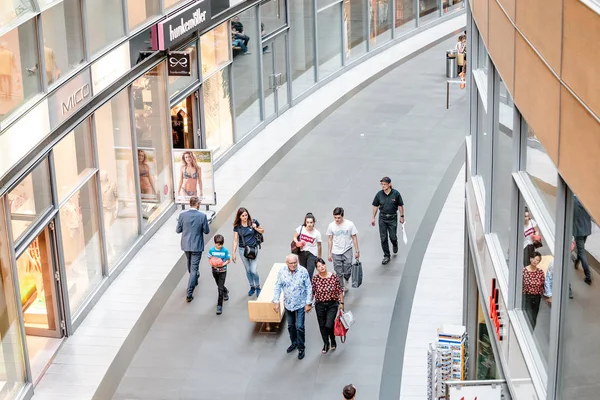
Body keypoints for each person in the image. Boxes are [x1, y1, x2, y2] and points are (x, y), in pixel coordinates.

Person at [273, 254, 313, 360]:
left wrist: (308, 303)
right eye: (291, 263)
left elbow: (309, 287)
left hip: (300, 303)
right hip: (288, 304)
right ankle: (294, 342)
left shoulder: (303, 271)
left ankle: (301, 347)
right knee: (291, 325)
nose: (294, 265)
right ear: (287, 263)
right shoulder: (282, 272)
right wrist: (276, 301)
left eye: (295, 262)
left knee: (300, 326)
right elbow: (277, 286)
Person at [176, 196, 210, 303]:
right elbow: (206, 231)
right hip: (197, 245)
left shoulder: (182, 215)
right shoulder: (202, 216)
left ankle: (193, 278)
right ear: (198, 204)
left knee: (189, 262)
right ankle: (189, 293)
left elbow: (178, 230)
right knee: (194, 268)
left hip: (186, 244)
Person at [312, 258, 344, 354]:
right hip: (320, 305)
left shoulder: (333, 276)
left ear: (325, 265)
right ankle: (326, 343)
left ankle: (332, 339)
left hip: (332, 304)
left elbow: (339, 290)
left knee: (328, 324)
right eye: (319, 266)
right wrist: (308, 303)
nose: (321, 267)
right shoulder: (315, 279)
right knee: (322, 325)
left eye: (322, 265)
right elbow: (312, 292)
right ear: (317, 268)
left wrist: (342, 303)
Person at [371, 176, 405, 265]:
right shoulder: (379, 195)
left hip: (392, 217)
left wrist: (402, 216)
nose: (383, 186)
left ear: (389, 184)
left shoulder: (396, 194)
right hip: (382, 218)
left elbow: (400, 205)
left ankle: (395, 243)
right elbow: (375, 206)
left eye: (385, 184)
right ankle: (386, 255)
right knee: (383, 238)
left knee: (392, 236)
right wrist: (373, 217)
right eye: (382, 184)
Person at [232, 207, 264, 297]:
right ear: (239, 217)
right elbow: (235, 240)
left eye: (246, 215)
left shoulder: (253, 222)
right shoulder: (237, 227)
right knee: (248, 270)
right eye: (243, 216)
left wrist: (256, 228)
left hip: (254, 249)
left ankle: (258, 286)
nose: (245, 217)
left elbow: (262, 230)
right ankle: (252, 286)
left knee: (253, 270)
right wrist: (233, 253)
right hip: (243, 250)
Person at [327, 207, 359, 291]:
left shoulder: (349, 224)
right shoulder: (331, 225)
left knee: (348, 268)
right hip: (336, 251)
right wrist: (329, 253)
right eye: (335, 218)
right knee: (338, 270)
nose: (337, 220)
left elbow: (354, 237)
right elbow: (330, 239)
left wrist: (357, 251)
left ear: (342, 216)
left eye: (339, 218)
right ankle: (341, 287)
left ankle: (346, 278)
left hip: (347, 249)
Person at [293, 212, 322, 279]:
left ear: (314, 223)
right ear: (305, 222)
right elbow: (294, 237)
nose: (309, 224)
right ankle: (303, 287)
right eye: (308, 222)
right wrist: (297, 242)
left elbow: (319, 245)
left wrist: (319, 257)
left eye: (311, 222)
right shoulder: (301, 228)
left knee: (309, 272)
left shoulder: (317, 233)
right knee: (302, 271)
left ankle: (308, 288)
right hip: (302, 252)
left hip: (312, 254)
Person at [207, 234, 230, 315]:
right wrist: (212, 263)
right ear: (215, 243)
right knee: (219, 285)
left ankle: (219, 305)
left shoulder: (225, 251)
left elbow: (228, 260)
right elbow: (209, 259)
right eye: (218, 244)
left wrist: (223, 264)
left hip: (223, 271)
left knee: (219, 288)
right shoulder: (211, 250)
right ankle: (225, 291)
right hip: (215, 270)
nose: (219, 246)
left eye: (221, 244)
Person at [522, 251, 545, 329]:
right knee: (528, 316)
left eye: (537, 260)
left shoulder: (540, 272)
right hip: (527, 297)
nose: (535, 261)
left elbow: (543, 285)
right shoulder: (524, 271)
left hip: (537, 298)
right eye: (534, 259)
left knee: (534, 317)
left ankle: (531, 333)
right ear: (530, 259)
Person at [573, 196, 592, 285]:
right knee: (581, 250)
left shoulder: (573, 201)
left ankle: (588, 276)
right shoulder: (585, 199)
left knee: (582, 252)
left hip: (578, 230)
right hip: (586, 229)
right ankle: (577, 261)